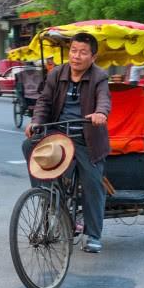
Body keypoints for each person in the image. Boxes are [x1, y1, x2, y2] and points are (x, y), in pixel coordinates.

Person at [22, 33, 111, 253]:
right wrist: (36, 122)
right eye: (73, 51)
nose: (76, 56)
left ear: (93, 56)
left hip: (86, 139)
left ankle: (93, 234)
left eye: (82, 52)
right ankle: (47, 195)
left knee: (92, 183)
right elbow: (44, 101)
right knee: (29, 145)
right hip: (58, 134)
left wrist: (100, 113)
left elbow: (104, 99)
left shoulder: (99, 76)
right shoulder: (56, 74)